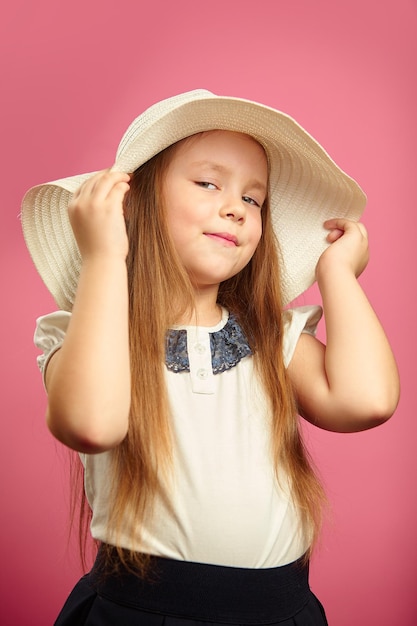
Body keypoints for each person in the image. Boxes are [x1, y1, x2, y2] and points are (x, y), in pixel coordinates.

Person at [21, 89, 400, 625]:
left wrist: (336, 274)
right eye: (208, 183)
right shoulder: (85, 336)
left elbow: (367, 401)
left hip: (280, 610)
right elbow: (92, 424)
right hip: (143, 611)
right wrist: (106, 254)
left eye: (253, 199)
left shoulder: (270, 336)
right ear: (134, 203)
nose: (235, 208)